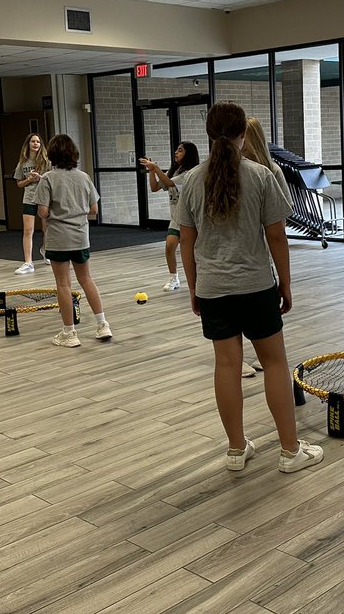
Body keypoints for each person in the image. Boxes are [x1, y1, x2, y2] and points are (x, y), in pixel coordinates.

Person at [178, 101, 323, 474]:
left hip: (213, 289)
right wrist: (285, 284)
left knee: (226, 365)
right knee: (275, 362)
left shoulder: (192, 179)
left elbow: (186, 241)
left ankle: (235, 450)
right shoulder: (260, 175)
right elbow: (277, 237)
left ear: (209, 136)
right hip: (256, 286)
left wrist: (194, 288)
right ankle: (290, 452)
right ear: (244, 134)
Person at [32, 134, 112, 347]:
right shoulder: (84, 177)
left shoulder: (48, 178)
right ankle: (102, 324)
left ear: (52, 154)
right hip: (81, 237)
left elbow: (42, 211)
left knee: (63, 284)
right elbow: (94, 209)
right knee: (86, 279)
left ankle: (69, 333)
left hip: (59, 238)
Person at [238, 115, 291, 378]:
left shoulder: (270, 171)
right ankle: (237, 360)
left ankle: (260, 355)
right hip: (234, 262)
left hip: (258, 263)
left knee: (262, 321)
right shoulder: (225, 171)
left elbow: (277, 228)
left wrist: (284, 279)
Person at [138, 141, 200, 292]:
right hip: (176, 217)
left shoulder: (189, 173)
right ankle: (174, 278)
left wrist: (156, 167)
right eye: (176, 150)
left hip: (190, 219)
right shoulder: (175, 170)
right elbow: (155, 187)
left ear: (188, 154)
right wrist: (151, 171)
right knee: (169, 246)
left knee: (193, 251)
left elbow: (169, 183)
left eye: (180, 150)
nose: (176, 153)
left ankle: (199, 279)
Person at [13, 133, 49, 274]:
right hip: (29, 198)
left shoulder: (46, 161)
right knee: (28, 230)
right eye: (33, 141)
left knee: (46, 229)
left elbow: (52, 180)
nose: (35, 144)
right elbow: (19, 184)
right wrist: (28, 180)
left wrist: (40, 178)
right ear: (28, 144)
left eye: (38, 142)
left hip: (44, 198)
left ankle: (46, 250)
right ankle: (28, 262)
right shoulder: (23, 163)